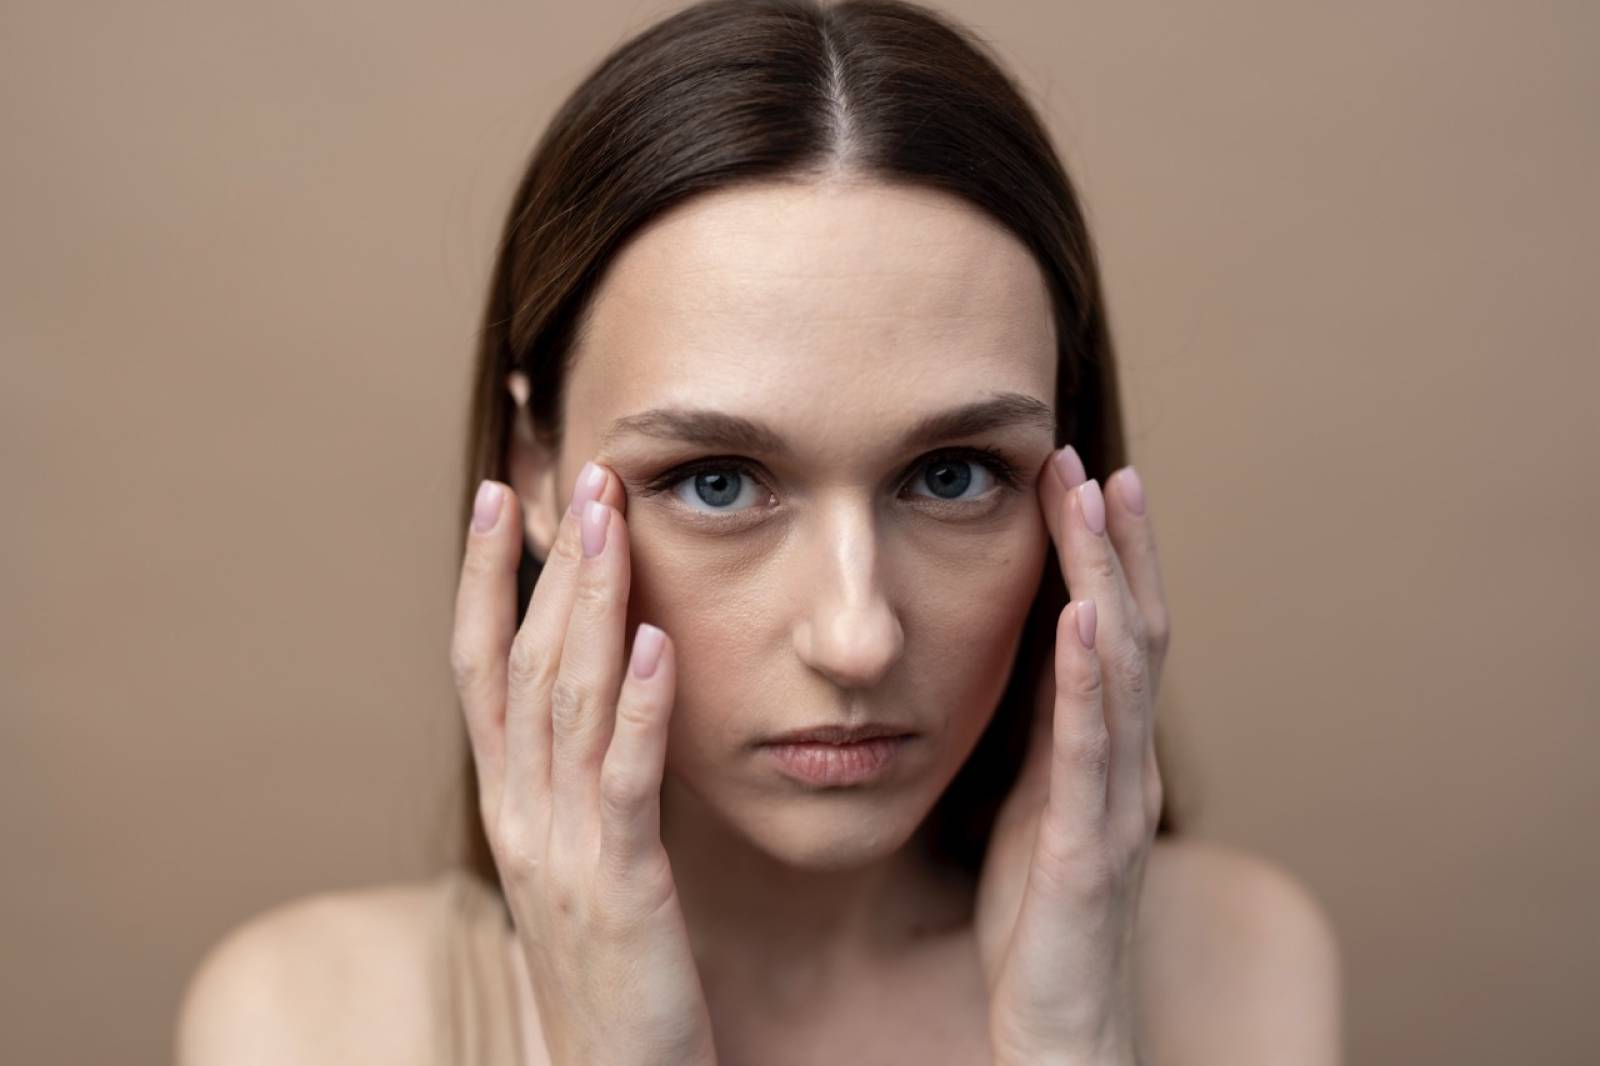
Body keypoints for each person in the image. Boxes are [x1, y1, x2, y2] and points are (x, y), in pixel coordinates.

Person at [176, 1, 1342, 1063]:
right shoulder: (306, 1021)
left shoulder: (1240, 969)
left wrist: (1070, 1041)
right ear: (531, 465)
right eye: (719, 482)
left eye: (951, 475)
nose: (856, 637)